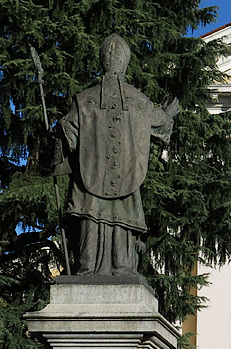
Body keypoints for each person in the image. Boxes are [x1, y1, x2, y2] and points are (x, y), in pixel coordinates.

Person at [55, 34, 179, 276]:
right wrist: (168, 113)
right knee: (121, 220)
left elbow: (68, 135)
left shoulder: (84, 100)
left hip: (89, 177)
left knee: (91, 217)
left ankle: (87, 266)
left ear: (102, 62)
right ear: (125, 63)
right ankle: (121, 266)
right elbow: (161, 124)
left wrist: (59, 131)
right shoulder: (138, 101)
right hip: (127, 178)